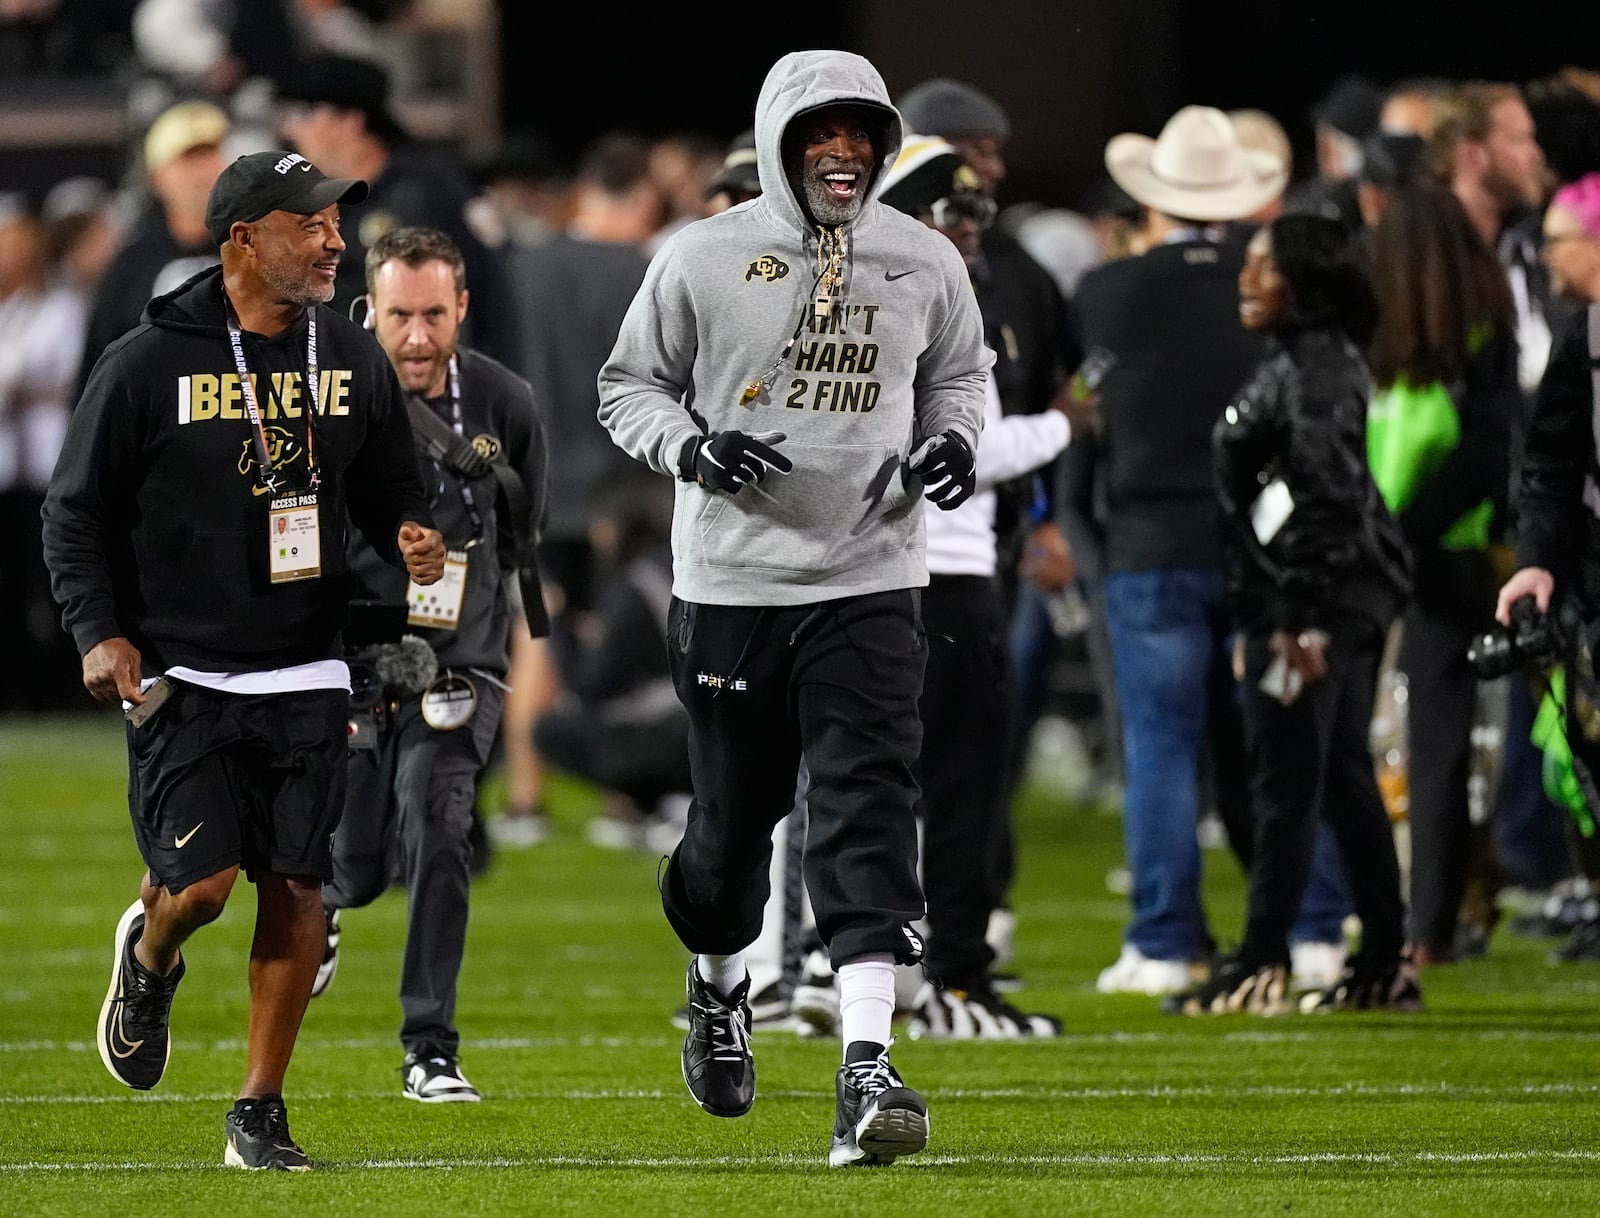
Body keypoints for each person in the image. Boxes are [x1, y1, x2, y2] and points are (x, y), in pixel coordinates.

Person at [597, 49, 990, 1168]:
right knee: (726, 835)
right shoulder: (701, 258)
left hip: (872, 576)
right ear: (779, 139)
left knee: (868, 806)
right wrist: (693, 446)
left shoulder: (926, 258)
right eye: (823, 136)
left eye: (862, 136)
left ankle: (866, 1064)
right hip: (732, 586)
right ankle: (721, 986)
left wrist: (950, 440)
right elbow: (627, 386)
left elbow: (960, 373)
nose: (845, 155)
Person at [40, 149, 446, 1170]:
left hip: (309, 663)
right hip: (184, 666)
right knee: (205, 887)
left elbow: (395, 485)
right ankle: (149, 952)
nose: (332, 241)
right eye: (308, 223)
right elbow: (73, 512)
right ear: (242, 241)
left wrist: (410, 534)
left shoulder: (347, 356)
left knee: (301, 886)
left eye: (335, 223)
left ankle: (258, 1110)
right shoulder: (144, 363)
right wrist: (100, 631)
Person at [308, 225, 549, 1102]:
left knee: (440, 822)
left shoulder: (504, 401)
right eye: (401, 316)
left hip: (461, 658)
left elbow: (527, 525)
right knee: (361, 864)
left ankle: (430, 1046)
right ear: (368, 310)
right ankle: (331, 901)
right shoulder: (329, 400)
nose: (417, 337)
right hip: (357, 655)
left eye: (435, 316)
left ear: (463, 309)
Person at [1168, 213, 1417, 1015]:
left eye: (1267, 266)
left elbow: (1326, 500)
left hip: (1321, 607)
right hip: (1331, 599)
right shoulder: (1303, 360)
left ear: (1307, 281)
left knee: (1283, 774)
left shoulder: (1315, 370)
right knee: (1339, 774)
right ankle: (1382, 959)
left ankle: (1259, 960)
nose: (1247, 276)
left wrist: (1296, 619)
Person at [1065, 105, 1285, 995]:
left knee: (1158, 747)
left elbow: (1087, 408)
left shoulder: (1106, 293)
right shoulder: (1269, 282)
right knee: (1278, 741)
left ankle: (1165, 940)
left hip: (1150, 544)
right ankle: (1306, 929)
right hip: (1259, 544)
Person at [878, 134, 1071, 1038]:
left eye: (975, 215)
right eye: (952, 215)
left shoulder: (863, 297)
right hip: (938, 578)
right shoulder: (922, 308)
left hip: (879, 583)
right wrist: (1061, 430)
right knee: (956, 791)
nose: (968, 234)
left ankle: (882, 981)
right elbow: (970, 451)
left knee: (879, 793)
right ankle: (949, 981)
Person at [1366, 181, 1521, 966]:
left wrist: (1384, 536)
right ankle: (1432, 924)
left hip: (1381, 556)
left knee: (1345, 738)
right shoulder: (1488, 331)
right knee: (1441, 747)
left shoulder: (1375, 339)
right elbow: (1492, 454)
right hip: (1454, 558)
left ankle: (1364, 915)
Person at [274, 51, 520, 369]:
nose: (292, 131)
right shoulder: (306, 201)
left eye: (305, 114)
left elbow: (495, 289)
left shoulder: (432, 190)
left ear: (351, 120)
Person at [75, 98, 230, 403]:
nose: (202, 173)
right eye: (188, 159)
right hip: (154, 428)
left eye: (210, 155)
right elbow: (99, 358)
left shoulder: (249, 249)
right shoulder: (133, 262)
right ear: (156, 177)